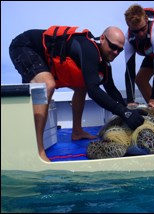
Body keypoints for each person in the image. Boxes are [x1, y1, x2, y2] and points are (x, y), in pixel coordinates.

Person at [9, 26, 146, 162]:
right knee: (47, 84)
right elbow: (94, 91)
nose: (116, 52)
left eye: (120, 50)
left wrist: (128, 111)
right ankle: (37, 150)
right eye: (113, 47)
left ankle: (77, 132)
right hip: (25, 46)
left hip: (44, 58)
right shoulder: (89, 49)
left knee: (82, 86)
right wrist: (124, 113)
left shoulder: (103, 61)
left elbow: (111, 89)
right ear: (102, 39)